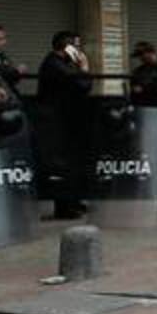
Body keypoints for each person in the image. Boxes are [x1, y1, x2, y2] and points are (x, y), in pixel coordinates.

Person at [37, 31, 94, 219]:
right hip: (54, 121)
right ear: (67, 47)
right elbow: (83, 85)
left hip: (67, 119)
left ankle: (73, 201)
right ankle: (63, 207)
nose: (79, 50)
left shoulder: (66, 64)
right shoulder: (54, 64)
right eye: (76, 46)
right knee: (59, 165)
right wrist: (84, 67)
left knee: (72, 163)